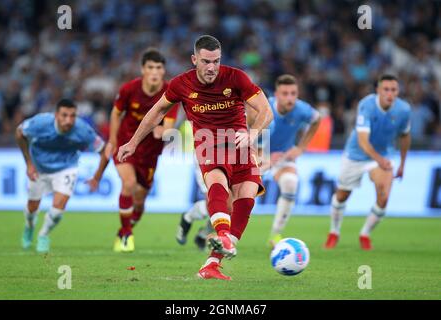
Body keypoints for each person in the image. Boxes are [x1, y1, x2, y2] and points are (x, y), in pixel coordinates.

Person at [117, 35, 273, 280]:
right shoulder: (182, 84)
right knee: (218, 183)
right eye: (206, 61)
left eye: (216, 61)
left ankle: (211, 264)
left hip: (241, 144)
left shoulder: (236, 78)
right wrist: (134, 142)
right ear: (194, 60)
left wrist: (253, 134)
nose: (212, 67)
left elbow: (266, 110)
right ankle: (222, 235)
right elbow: (156, 111)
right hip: (209, 146)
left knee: (247, 197)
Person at [87, 48, 178, 253]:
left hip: (150, 154)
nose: (154, 72)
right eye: (150, 67)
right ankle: (127, 235)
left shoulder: (170, 93)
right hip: (126, 145)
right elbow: (116, 112)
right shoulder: (129, 89)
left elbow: (168, 130)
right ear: (143, 70)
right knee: (128, 184)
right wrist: (112, 140)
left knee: (139, 200)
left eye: (159, 68)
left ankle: (125, 228)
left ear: (163, 71)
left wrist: (158, 129)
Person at [324, 74, 411, 250]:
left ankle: (365, 234)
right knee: (342, 196)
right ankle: (334, 232)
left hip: (382, 155)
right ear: (378, 91)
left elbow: (405, 135)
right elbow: (363, 141)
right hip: (355, 155)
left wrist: (402, 164)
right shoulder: (367, 105)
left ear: (398, 91)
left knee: (384, 197)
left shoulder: (404, 110)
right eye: (386, 89)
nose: (390, 93)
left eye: (393, 90)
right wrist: (381, 160)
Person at [17, 98, 105, 253]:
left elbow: (104, 150)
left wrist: (97, 177)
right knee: (32, 208)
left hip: (66, 168)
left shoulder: (82, 129)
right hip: (39, 167)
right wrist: (29, 164)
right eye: (64, 115)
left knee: (58, 211)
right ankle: (29, 226)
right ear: (56, 115)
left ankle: (43, 234)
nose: (68, 120)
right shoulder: (41, 123)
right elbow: (19, 133)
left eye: (72, 116)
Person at [249, 75, 321, 248]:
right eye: (285, 93)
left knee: (290, 182)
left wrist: (301, 147)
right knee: (241, 193)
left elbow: (317, 119)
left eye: (293, 93)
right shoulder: (265, 111)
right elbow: (251, 139)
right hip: (257, 155)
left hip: (282, 156)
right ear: (276, 94)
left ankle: (275, 235)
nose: (290, 98)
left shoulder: (302, 110)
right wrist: (265, 158)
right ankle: (216, 229)